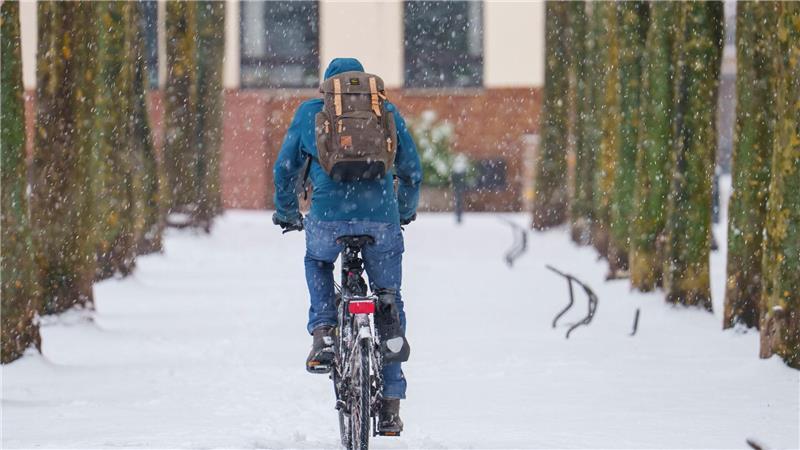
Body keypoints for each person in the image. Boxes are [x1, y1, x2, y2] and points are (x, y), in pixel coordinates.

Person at [272, 58, 422, 433]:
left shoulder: (311, 112)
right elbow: (412, 170)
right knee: (389, 296)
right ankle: (390, 405)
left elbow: (284, 169)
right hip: (380, 217)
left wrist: (287, 212)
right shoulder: (384, 110)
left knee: (318, 261)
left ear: (328, 88)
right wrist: (403, 211)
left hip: (327, 218)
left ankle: (324, 333)